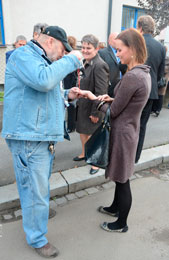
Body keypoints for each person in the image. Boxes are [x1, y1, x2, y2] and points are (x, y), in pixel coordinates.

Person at [2, 25, 82, 258]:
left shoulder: (38, 60)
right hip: (29, 138)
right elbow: (43, 81)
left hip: (39, 137)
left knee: (37, 188)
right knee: (34, 190)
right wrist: (73, 60)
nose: (63, 54)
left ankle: (36, 218)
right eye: (62, 49)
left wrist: (67, 95)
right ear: (49, 42)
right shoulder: (23, 55)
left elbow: (44, 91)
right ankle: (37, 238)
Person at [74, 28, 151, 232]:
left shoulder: (133, 76)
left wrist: (94, 98)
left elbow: (114, 112)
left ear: (132, 49)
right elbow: (126, 102)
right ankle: (114, 208)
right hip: (129, 131)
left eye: (119, 50)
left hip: (123, 133)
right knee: (120, 176)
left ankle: (121, 223)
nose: (116, 54)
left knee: (123, 179)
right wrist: (112, 98)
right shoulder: (143, 72)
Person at [73, 34, 109, 175]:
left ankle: (96, 162)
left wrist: (96, 112)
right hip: (82, 105)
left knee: (93, 135)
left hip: (92, 107)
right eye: (83, 47)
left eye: (89, 48)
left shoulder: (100, 65)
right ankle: (84, 153)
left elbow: (101, 92)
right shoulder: (85, 62)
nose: (85, 50)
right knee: (83, 131)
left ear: (97, 48)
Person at [136, 15, 166, 162]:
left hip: (134, 89)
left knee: (130, 123)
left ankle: (128, 155)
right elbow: (160, 74)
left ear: (140, 27)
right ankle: (136, 156)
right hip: (151, 90)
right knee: (142, 126)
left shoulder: (136, 42)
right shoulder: (160, 47)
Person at [98, 32, 121, 97]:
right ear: (109, 41)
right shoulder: (102, 53)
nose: (118, 41)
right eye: (116, 39)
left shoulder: (122, 52)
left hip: (120, 88)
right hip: (108, 90)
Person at [63, 36, 77, 133]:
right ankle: (71, 126)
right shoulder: (73, 54)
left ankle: (71, 127)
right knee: (71, 108)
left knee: (71, 107)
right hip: (70, 83)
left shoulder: (71, 55)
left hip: (69, 84)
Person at [151, 46, 169, 116]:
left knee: (156, 94)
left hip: (159, 78)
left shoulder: (158, 57)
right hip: (164, 79)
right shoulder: (166, 59)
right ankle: (157, 109)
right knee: (160, 94)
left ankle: (155, 109)